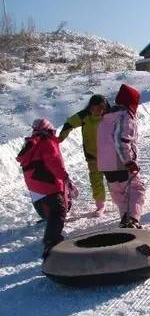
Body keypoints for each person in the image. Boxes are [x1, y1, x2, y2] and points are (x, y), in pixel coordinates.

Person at [16, 119, 78, 258]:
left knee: (54, 207)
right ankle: (51, 241)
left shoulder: (32, 144)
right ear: (49, 130)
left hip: (35, 186)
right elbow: (55, 165)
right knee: (59, 210)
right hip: (47, 183)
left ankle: (48, 221)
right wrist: (66, 178)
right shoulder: (47, 142)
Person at [97, 84, 145, 228]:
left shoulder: (106, 117)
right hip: (121, 163)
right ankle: (132, 220)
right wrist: (129, 161)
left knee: (119, 193)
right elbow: (121, 140)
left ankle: (125, 219)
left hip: (106, 166)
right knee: (137, 190)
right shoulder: (125, 116)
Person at [58, 94, 109, 216]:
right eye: (95, 107)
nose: (98, 111)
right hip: (92, 155)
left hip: (110, 153)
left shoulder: (109, 115)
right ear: (90, 107)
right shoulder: (84, 116)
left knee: (114, 179)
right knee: (96, 180)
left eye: (101, 108)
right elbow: (69, 123)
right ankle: (100, 205)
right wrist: (60, 139)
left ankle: (123, 199)